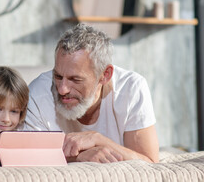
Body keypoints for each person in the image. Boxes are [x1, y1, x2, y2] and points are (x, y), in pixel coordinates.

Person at [25, 23, 159, 163]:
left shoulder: (131, 89)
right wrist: (78, 157)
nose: (62, 89)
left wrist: (98, 140)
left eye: (75, 79)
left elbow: (149, 163)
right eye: (58, 77)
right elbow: (28, 157)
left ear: (105, 75)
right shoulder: (39, 93)